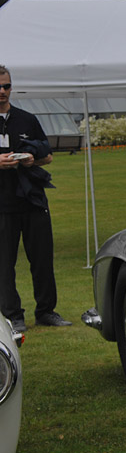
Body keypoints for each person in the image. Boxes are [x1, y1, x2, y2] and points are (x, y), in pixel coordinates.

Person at [0, 65, 71, 332]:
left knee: (42, 258)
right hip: (3, 204)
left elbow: (48, 156)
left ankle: (46, 311)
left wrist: (31, 159)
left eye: (6, 86)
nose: (3, 91)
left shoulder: (27, 119)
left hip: (32, 200)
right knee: (4, 263)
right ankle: (13, 315)